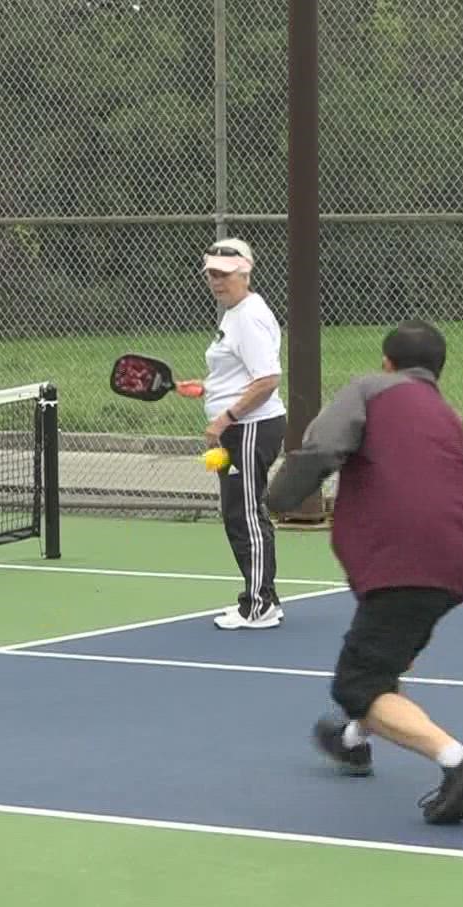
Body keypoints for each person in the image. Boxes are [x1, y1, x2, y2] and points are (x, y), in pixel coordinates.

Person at [263, 320, 463, 825]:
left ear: (387, 363)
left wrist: (280, 496)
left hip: (405, 558)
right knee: (386, 656)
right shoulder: (446, 415)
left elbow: (324, 446)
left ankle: (457, 761)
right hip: (462, 556)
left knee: (358, 685)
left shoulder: (371, 389)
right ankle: (352, 742)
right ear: (437, 371)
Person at [182, 238, 287, 630]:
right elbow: (241, 373)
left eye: (223, 274)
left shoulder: (247, 317)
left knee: (244, 514)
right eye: (210, 273)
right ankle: (262, 598)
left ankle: (259, 604)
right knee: (237, 513)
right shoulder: (235, 312)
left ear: (245, 273)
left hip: (250, 429)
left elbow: (267, 380)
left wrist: (224, 416)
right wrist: (209, 386)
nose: (215, 281)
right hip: (240, 429)